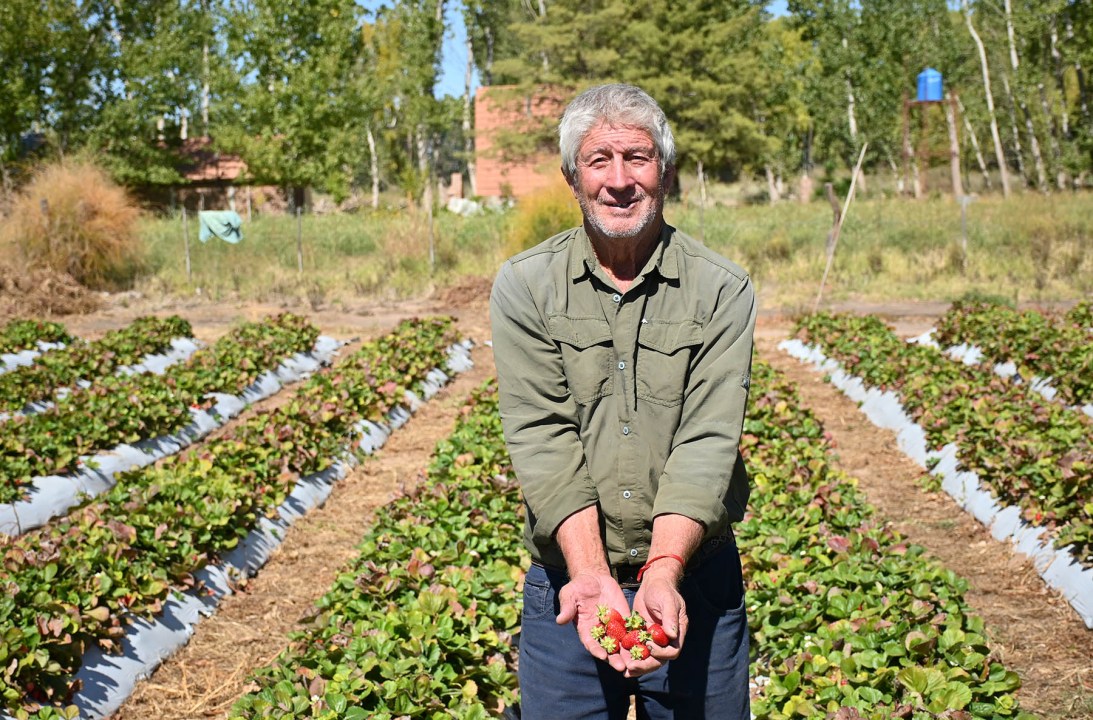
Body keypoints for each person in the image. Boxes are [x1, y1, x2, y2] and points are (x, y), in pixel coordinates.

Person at [490, 83, 755, 719]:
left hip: (695, 584)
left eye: (637, 157)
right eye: (598, 160)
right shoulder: (527, 286)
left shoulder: (720, 289)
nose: (618, 180)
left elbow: (707, 439)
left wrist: (663, 570)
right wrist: (590, 574)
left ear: (666, 170)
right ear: (571, 176)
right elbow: (543, 435)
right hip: (570, 584)